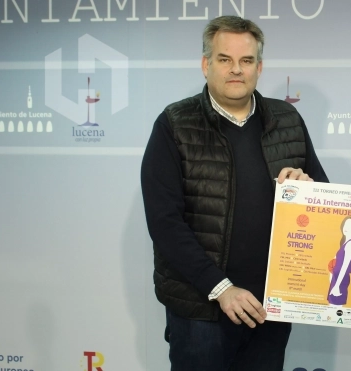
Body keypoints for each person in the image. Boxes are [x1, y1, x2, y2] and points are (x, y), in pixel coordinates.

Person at [141, 16, 328, 371]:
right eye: (225, 59)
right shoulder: (175, 124)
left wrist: (309, 190)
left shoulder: (287, 119)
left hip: (269, 308)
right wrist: (220, 287)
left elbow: (324, 198)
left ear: (259, 67)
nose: (235, 70)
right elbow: (164, 222)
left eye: (246, 61)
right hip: (202, 310)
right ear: (205, 65)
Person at [327, 216, 351, 305]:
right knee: (332, 306)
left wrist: (337, 285)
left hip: (340, 280)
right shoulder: (344, 243)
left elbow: (344, 266)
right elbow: (336, 263)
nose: (346, 227)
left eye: (349, 225)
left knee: (336, 307)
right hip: (336, 278)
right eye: (345, 225)